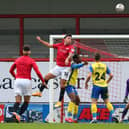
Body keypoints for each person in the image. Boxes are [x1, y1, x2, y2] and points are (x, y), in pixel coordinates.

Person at [32, 33, 74, 108]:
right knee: (46, 77)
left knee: (62, 84)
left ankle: (60, 101)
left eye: (70, 39)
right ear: (64, 39)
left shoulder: (71, 47)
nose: (70, 40)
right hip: (58, 67)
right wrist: (40, 40)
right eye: (68, 38)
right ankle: (40, 92)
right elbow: (49, 45)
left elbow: (70, 54)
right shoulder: (59, 45)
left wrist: (67, 59)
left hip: (66, 68)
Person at [9, 45, 46, 122]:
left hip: (18, 80)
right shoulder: (31, 60)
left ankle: (14, 115)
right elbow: (37, 72)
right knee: (26, 101)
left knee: (18, 101)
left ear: (22, 51)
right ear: (29, 52)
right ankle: (18, 115)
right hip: (27, 81)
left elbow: (11, 70)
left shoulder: (18, 60)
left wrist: (16, 77)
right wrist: (43, 81)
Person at [85, 53, 114, 123]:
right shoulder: (104, 66)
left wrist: (86, 83)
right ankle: (114, 114)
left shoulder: (92, 66)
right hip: (104, 86)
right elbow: (111, 75)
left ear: (94, 59)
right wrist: (106, 82)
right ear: (100, 58)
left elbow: (89, 76)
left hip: (96, 86)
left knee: (94, 102)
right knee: (107, 101)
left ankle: (94, 118)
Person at [65, 54, 88, 123]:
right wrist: (83, 64)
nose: (80, 59)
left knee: (77, 101)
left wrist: (82, 63)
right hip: (68, 84)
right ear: (75, 59)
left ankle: (74, 118)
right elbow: (76, 66)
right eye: (79, 58)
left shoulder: (76, 64)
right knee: (73, 99)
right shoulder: (72, 64)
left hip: (73, 85)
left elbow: (78, 65)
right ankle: (68, 117)